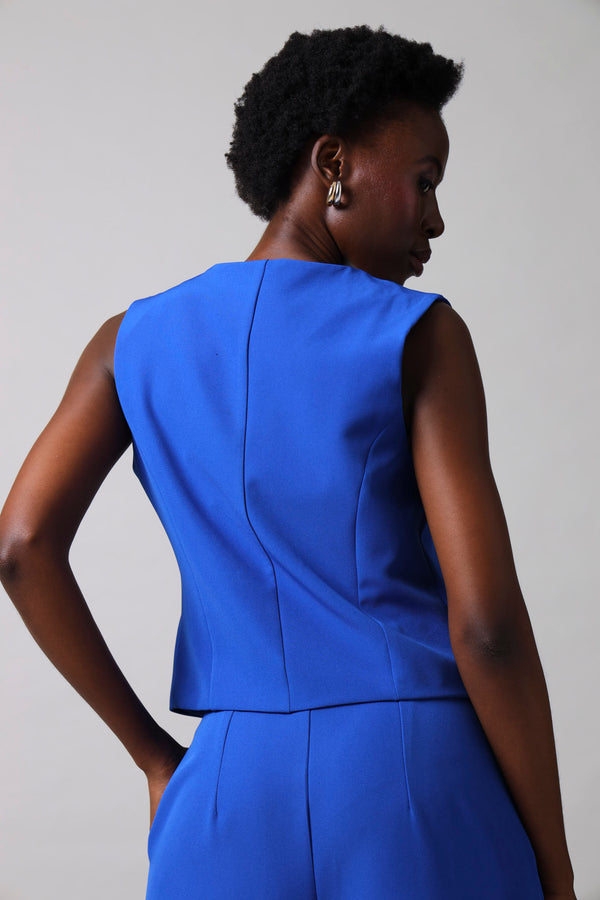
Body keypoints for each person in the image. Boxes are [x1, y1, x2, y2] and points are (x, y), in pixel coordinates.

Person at [0, 24, 576, 900]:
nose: (436, 218)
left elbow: (20, 545)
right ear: (333, 163)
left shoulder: (130, 342)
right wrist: (554, 865)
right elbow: (488, 627)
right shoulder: (418, 333)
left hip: (226, 794)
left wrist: (154, 759)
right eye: (425, 180)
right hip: (413, 782)